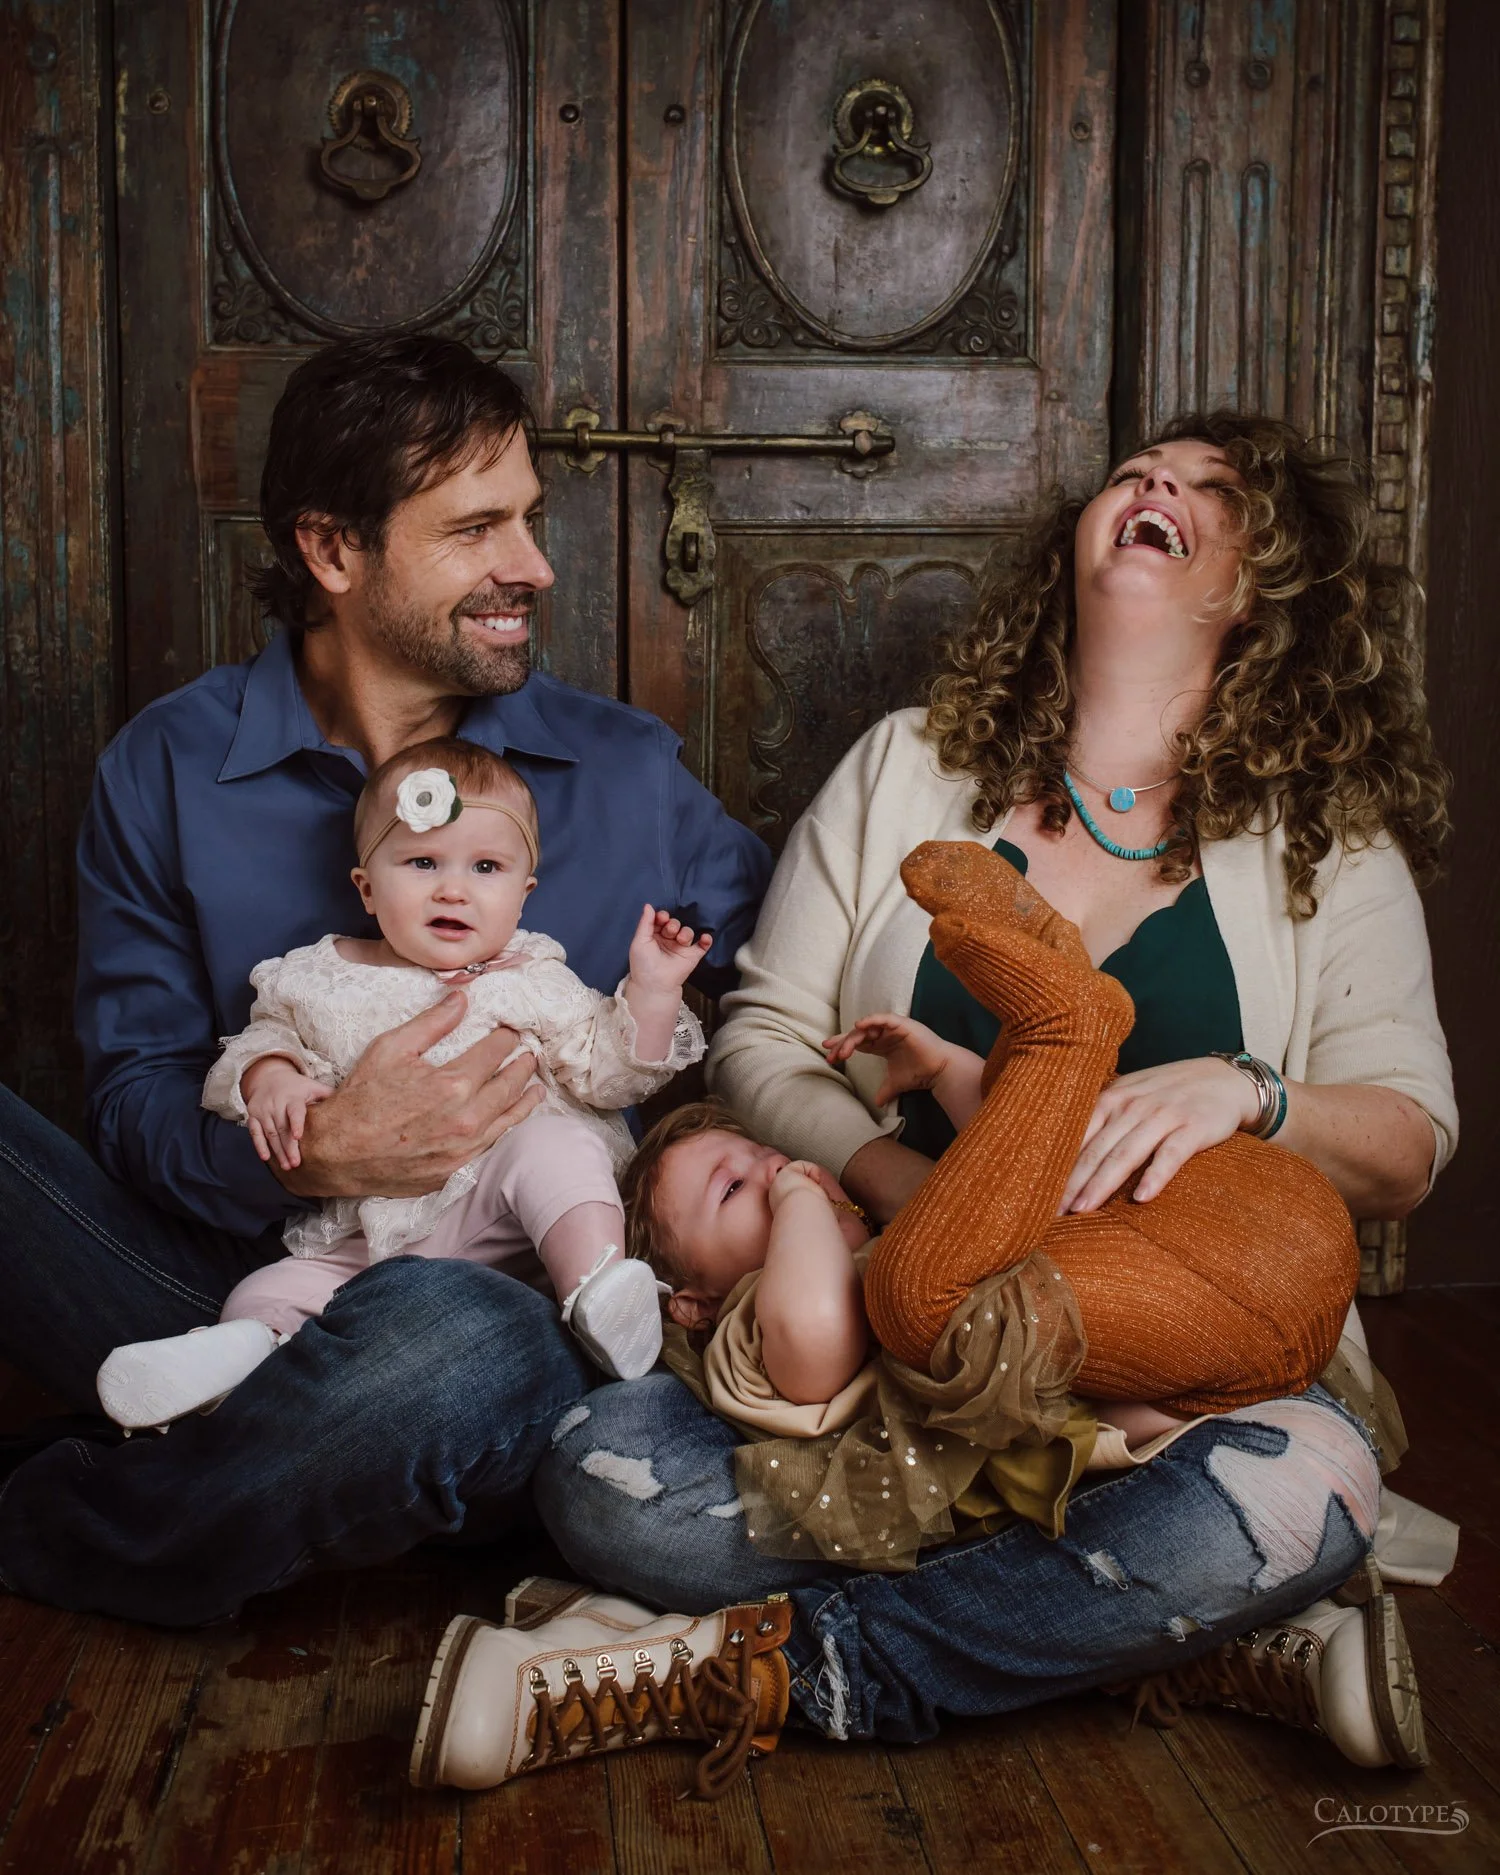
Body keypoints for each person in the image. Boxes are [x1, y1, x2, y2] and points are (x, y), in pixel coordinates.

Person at [448, 415, 1453, 1792]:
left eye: (1216, 493)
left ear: (1267, 591)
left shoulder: (1324, 842)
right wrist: (890, 1181)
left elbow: (1407, 1145)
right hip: (874, 1362)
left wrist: (1251, 1089)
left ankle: (726, 1667)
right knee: (604, 1471)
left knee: (1312, 1478)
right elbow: (760, 1036)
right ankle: (1167, 1636)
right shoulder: (903, 767)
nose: (1157, 484)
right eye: (1137, 469)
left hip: (1167, 1383)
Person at [0, 334, 770, 1625]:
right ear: (333, 550)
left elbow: (786, 1000)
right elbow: (132, 1096)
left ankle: (85, 1509)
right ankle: (301, 1461)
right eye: (478, 528)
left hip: (518, 1303)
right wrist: (303, 1154)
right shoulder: (169, 765)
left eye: (528, 518)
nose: (533, 564)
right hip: (245, 1281)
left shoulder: (624, 769)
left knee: (447, 1344)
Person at [612, 832, 1360, 1572]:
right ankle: (1063, 1027)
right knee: (918, 1299)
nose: (776, 1164)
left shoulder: (897, 1242)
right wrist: (799, 1194)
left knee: (974, 1237)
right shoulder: (749, 1328)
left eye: (766, 1154)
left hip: (1245, 1241)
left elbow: (1012, 1168)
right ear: (692, 1302)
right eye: (736, 1186)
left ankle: (1056, 1015)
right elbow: (813, 1332)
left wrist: (943, 1071)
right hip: (1203, 1334)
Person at [95, 738, 712, 1430]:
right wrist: (272, 1078)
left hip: (513, 1234)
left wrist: (654, 991)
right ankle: (234, 1350)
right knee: (266, 1287)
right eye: (422, 862)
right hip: (373, 1235)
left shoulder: (535, 978)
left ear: (523, 892)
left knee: (558, 1147)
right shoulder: (316, 975)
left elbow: (610, 1073)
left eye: (486, 867)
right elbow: (264, 1038)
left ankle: (597, 1287)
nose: (453, 888)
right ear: (366, 885)